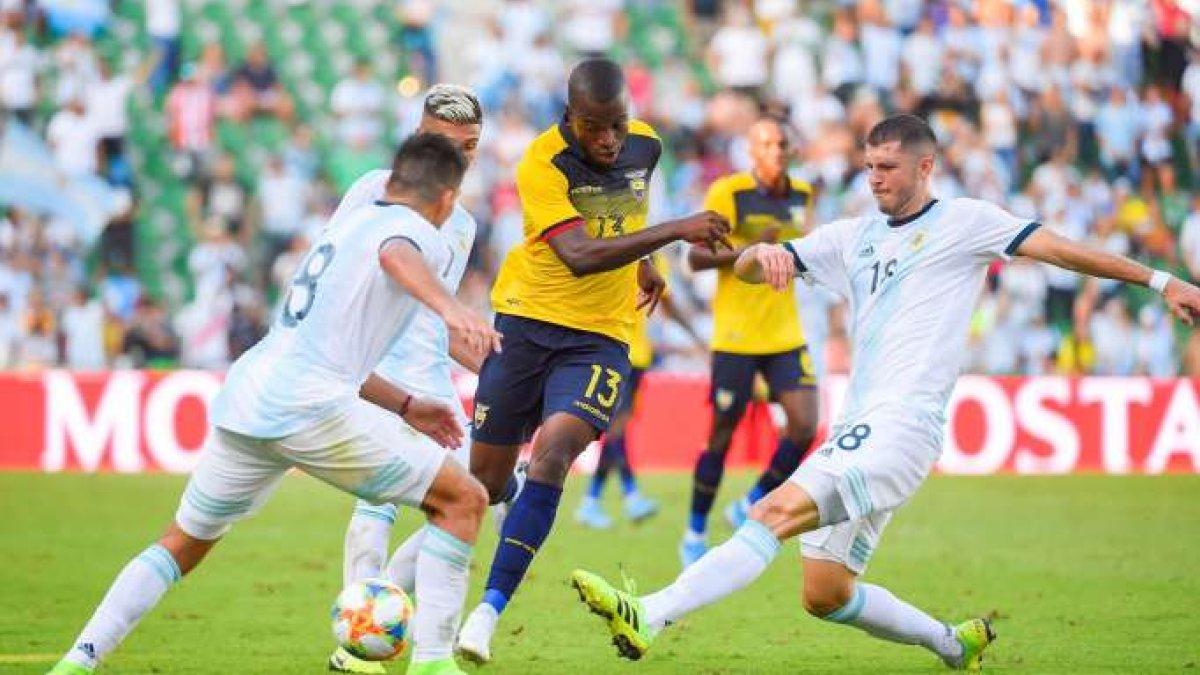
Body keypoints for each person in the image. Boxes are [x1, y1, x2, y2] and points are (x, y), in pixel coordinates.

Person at [569, 114, 1200, 670]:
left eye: (888, 167)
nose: (874, 179)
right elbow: (747, 266)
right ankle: (954, 645)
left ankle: (649, 613)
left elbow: (1061, 251)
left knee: (770, 513)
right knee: (825, 592)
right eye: (869, 166)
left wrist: (1158, 279)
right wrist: (765, 255)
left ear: (926, 167)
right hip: (860, 428)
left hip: (904, 426)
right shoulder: (853, 238)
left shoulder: (967, 222)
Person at [47, 134, 502, 675]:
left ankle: (78, 660)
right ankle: (433, 665)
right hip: (311, 407)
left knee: (181, 544)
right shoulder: (414, 232)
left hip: (253, 395)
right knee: (464, 500)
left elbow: (333, 352)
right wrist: (451, 308)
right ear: (448, 200)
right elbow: (397, 254)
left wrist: (404, 404)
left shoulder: (347, 225)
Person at [454, 58, 731, 664]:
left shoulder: (647, 147)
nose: (609, 140)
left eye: (617, 125)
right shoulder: (541, 161)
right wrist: (674, 232)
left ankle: (486, 613)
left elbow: (621, 217)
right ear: (570, 118)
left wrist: (644, 264)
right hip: (527, 323)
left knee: (555, 450)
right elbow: (579, 253)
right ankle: (509, 496)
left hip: (602, 336)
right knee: (487, 483)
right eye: (594, 127)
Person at [326, 84, 487, 675]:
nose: (461, 156)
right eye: (448, 144)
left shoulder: (462, 223)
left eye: (470, 145)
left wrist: (495, 366)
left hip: (435, 381)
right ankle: (357, 651)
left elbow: (437, 313)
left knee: (484, 493)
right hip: (381, 374)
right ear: (420, 139)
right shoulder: (373, 189)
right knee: (379, 503)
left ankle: (369, 615)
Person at [680, 116, 819, 566]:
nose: (775, 149)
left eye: (781, 142)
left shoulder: (802, 195)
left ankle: (751, 501)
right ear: (751, 150)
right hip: (736, 336)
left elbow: (806, 252)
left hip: (784, 332)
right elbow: (696, 257)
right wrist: (750, 252)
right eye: (766, 143)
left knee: (804, 425)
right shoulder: (729, 193)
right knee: (721, 436)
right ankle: (695, 531)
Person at [574, 255, 705, 529]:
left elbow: (667, 302)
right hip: (613, 351)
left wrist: (696, 337)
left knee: (616, 431)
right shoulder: (613, 251)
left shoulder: (654, 259)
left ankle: (593, 501)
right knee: (615, 430)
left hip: (638, 356)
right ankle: (628, 495)